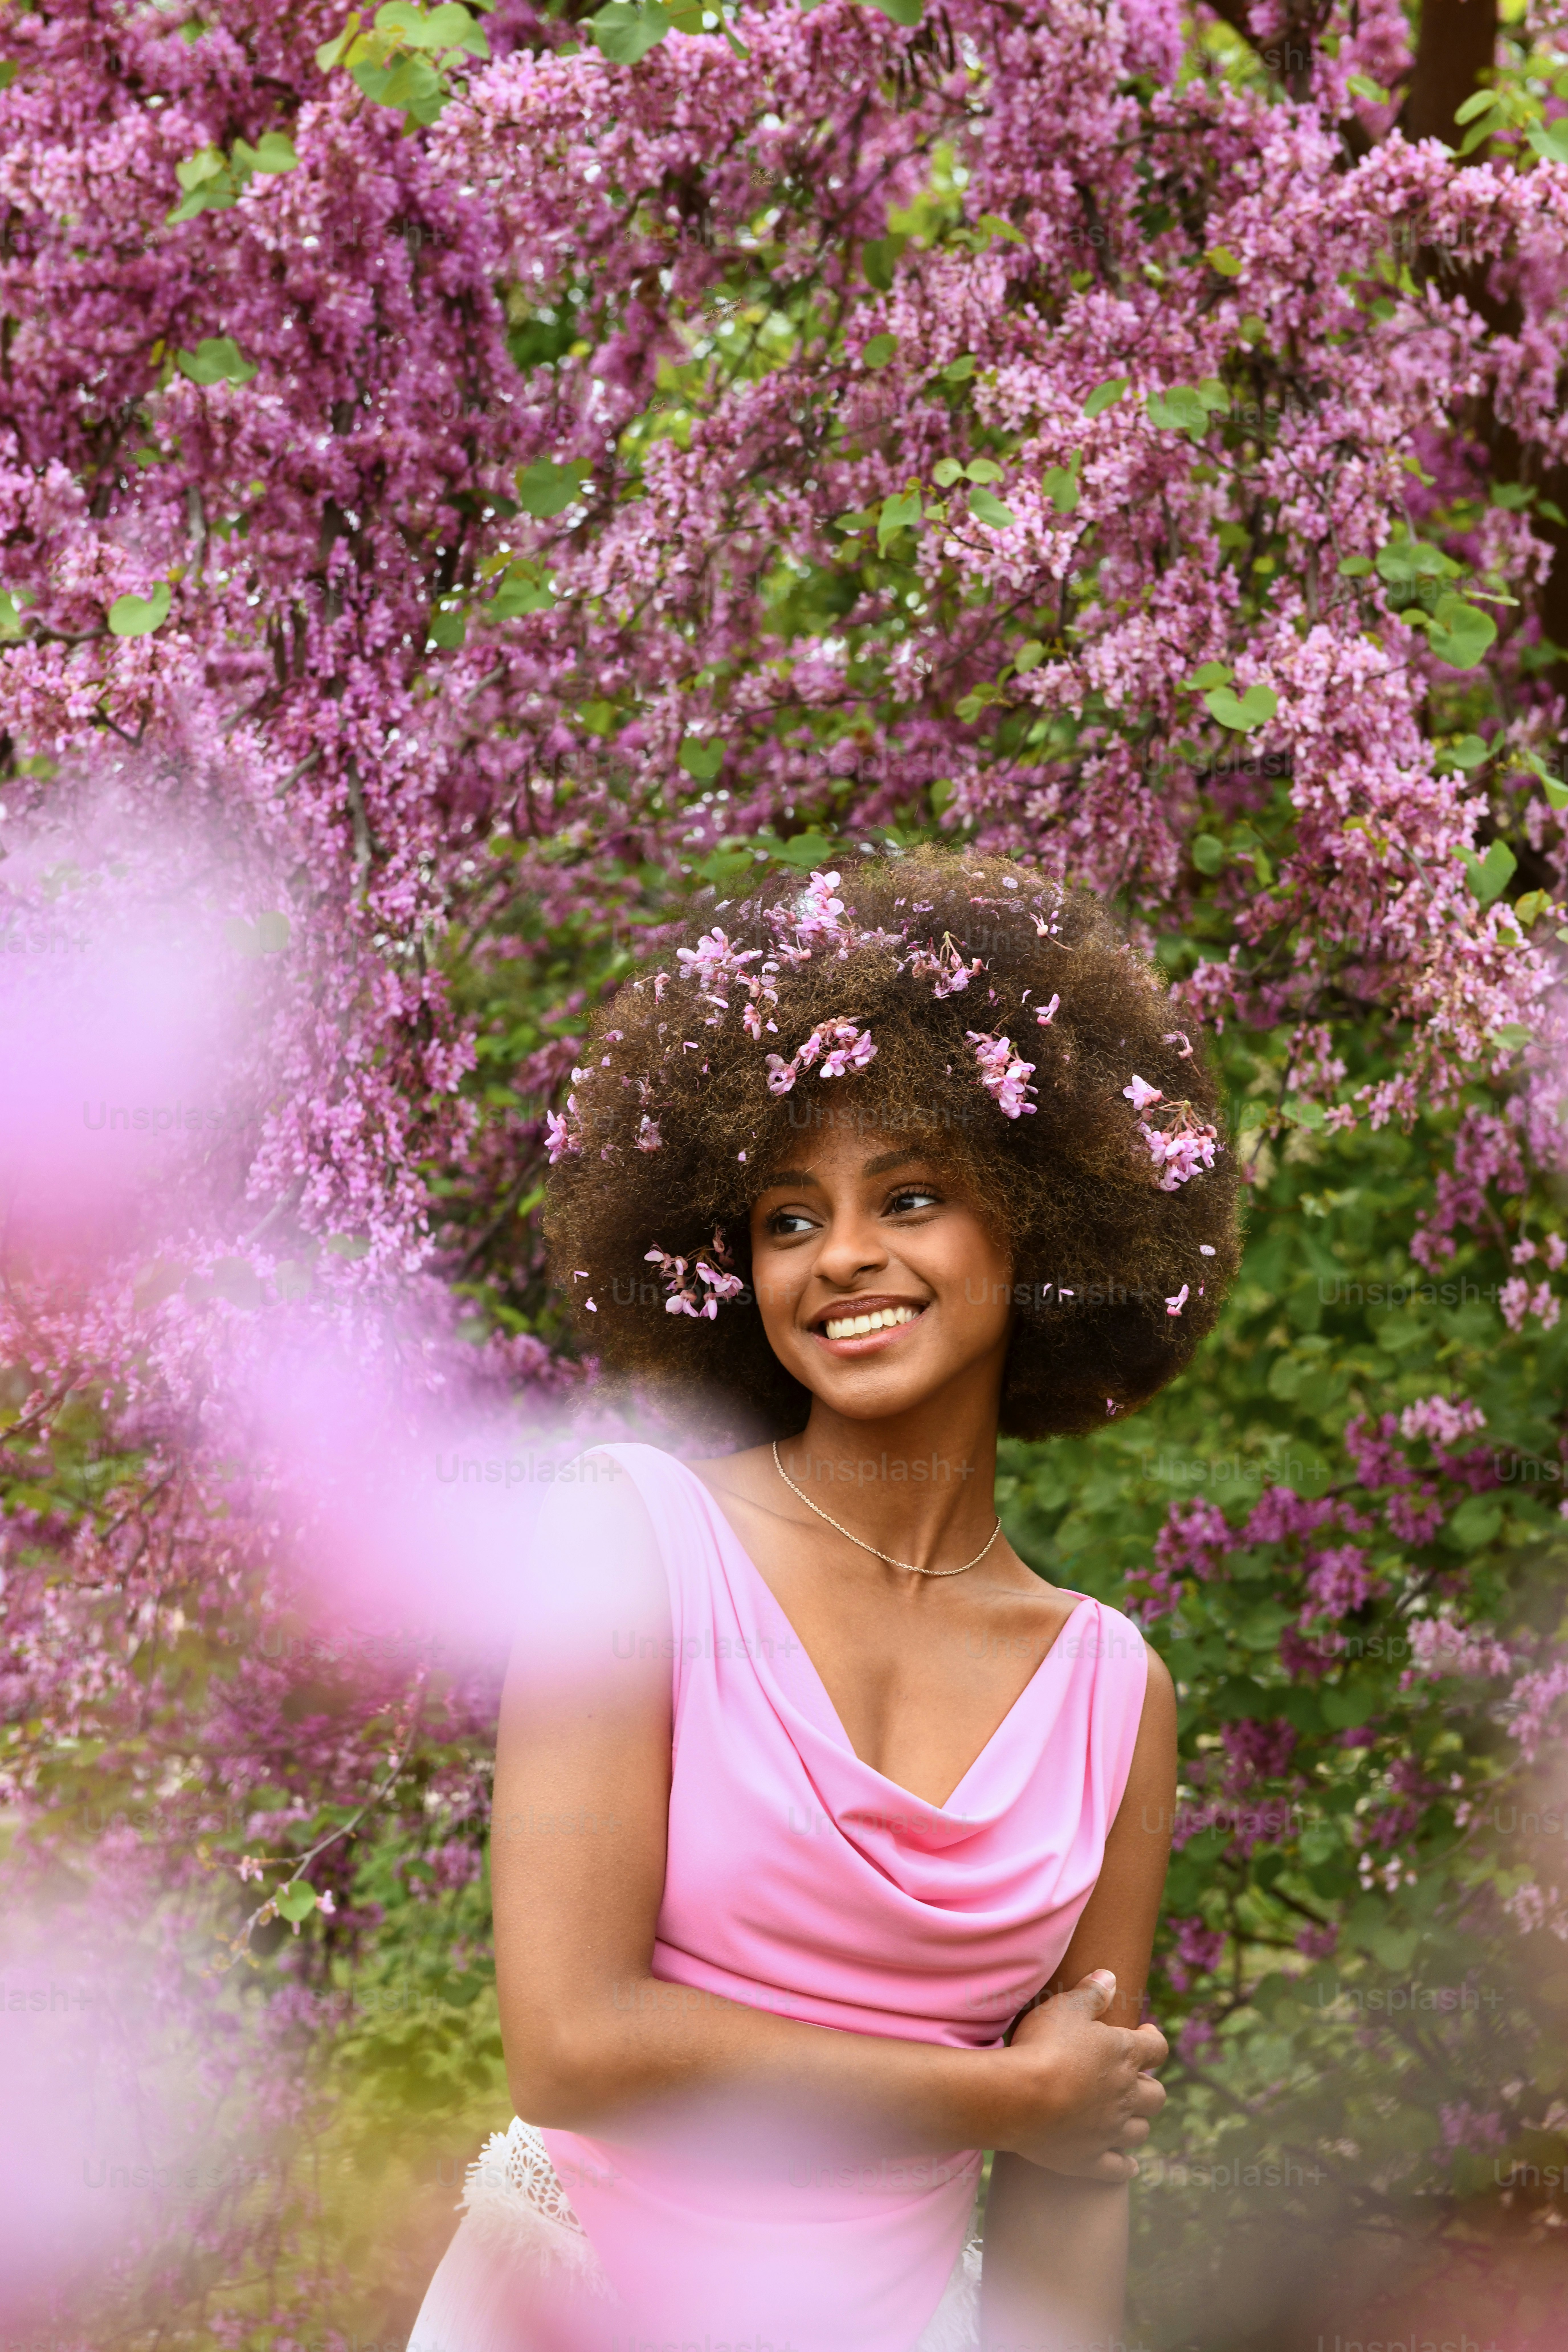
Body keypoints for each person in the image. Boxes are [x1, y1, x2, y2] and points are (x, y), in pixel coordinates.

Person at [411, 849, 1239, 2352]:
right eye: (788, 1218)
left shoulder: (1113, 1693)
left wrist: (1048, 2124)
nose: (844, 1256)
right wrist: (1002, 2096)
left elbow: (1072, 2181)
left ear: (1034, 1227)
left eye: (909, 1196)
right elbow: (575, 2045)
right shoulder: (634, 1541)